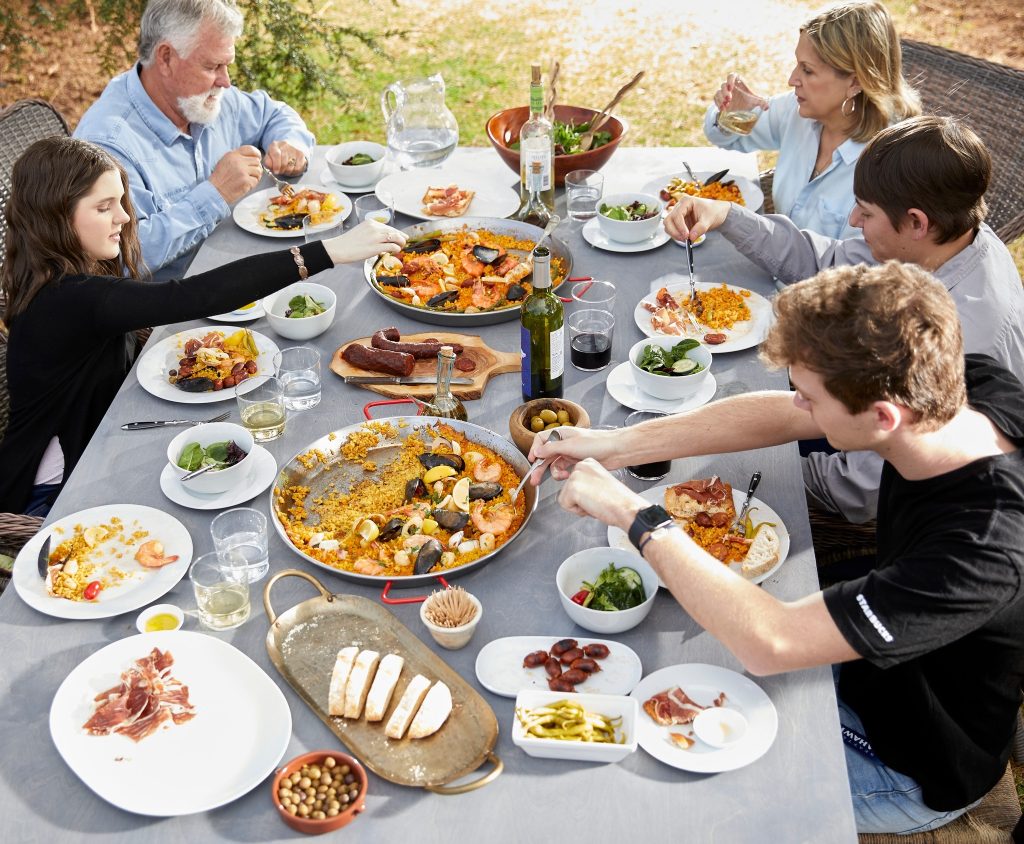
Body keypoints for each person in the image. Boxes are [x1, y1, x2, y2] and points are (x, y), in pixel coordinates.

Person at [531, 262, 1024, 835]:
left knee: (642, 796)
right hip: (866, 666)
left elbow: (773, 642)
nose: (800, 407)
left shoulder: (981, 551)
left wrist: (634, 514)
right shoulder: (960, 385)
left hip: (907, 758)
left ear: (883, 417)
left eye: (812, 398)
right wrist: (616, 444)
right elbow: (778, 414)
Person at [0, 137, 407, 516]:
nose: (124, 217)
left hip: (102, 437)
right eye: (104, 207)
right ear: (55, 215)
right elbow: (193, 296)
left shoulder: (53, 272)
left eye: (121, 202)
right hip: (56, 496)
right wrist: (329, 251)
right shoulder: (67, 298)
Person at [667, 114, 1024, 523]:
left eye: (865, 213)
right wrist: (727, 215)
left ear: (916, 222)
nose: (854, 222)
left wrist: (736, 471)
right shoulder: (950, 235)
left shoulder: (959, 342)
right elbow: (826, 261)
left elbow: (861, 488)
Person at [74, 0, 315, 281]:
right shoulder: (109, 145)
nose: (225, 81)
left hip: (240, 271)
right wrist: (216, 194)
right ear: (165, 58)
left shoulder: (200, 99)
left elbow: (273, 114)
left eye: (227, 65)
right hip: (167, 312)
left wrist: (291, 145)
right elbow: (118, 261)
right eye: (213, 66)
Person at [704, 0, 919, 238]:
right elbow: (725, 137)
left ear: (856, 82)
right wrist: (730, 110)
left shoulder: (891, 165)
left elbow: (862, 264)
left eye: (807, 70)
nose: (792, 79)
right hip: (773, 263)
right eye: (797, 64)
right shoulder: (798, 111)